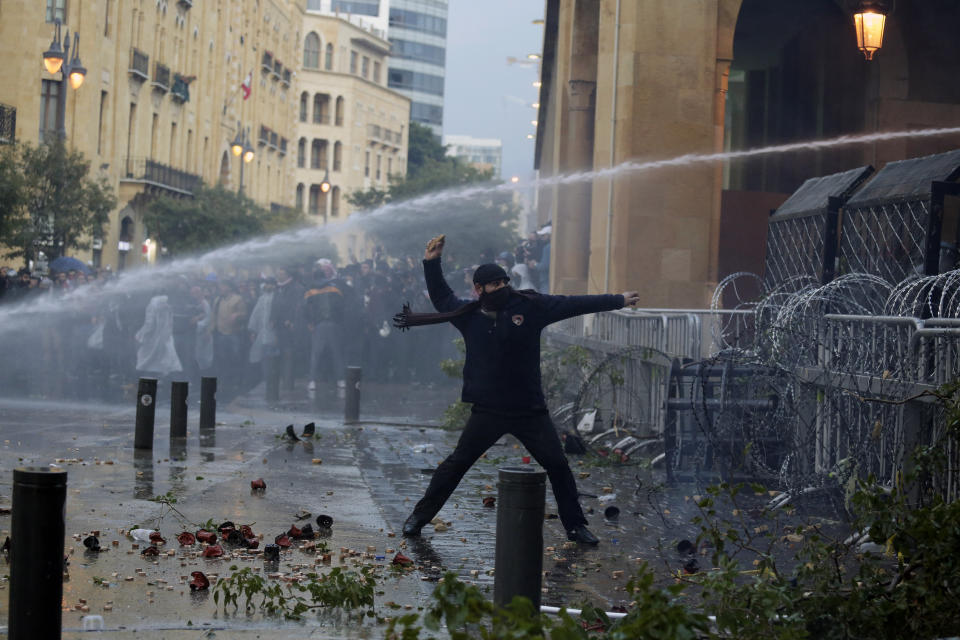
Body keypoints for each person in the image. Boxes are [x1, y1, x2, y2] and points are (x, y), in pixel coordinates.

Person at [393, 235, 640, 545]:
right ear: (479, 290)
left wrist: (617, 299)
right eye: (493, 285)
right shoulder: (468, 316)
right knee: (456, 464)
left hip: (528, 411)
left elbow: (573, 303)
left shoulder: (531, 307)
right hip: (488, 410)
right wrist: (432, 262)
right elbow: (441, 297)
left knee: (558, 466)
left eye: (503, 282)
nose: (500, 288)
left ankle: (576, 526)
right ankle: (419, 517)